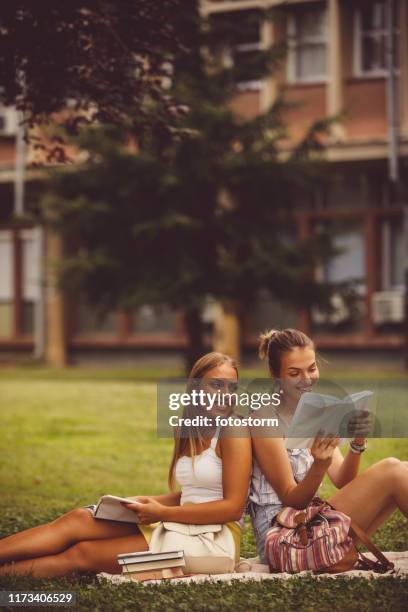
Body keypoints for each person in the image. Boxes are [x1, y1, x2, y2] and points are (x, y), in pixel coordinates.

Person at [0, 352, 251, 577]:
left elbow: (233, 508)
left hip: (214, 542)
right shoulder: (189, 431)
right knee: (77, 519)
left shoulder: (233, 432)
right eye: (216, 385)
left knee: (83, 554)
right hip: (182, 523)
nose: (226, 396)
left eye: (232, 388)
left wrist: (163, 514)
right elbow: (191, 495)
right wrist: (141, 501)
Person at [248, 328, 408, 564]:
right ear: (275, 374)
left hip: (313, 524)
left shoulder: (315, 413)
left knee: (402, 470)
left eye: (312, 368)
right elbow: (292, 500)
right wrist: (319, 465)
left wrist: (357, 441)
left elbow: (344, 481)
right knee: (394, 470)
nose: (307, 379)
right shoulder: (263, 420)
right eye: (294, 373)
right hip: (284, 538)